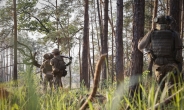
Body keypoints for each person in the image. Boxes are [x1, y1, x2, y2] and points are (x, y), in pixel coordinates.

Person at [138, 15, 183, 92]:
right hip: (171, 65)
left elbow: (140, 46)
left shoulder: (152, 33)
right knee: (172, 91)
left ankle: (160, 103)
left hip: (158, 66)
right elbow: (179, 51)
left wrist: (148, 52)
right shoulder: (174, 34)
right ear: (168, 22)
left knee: (159, 91)